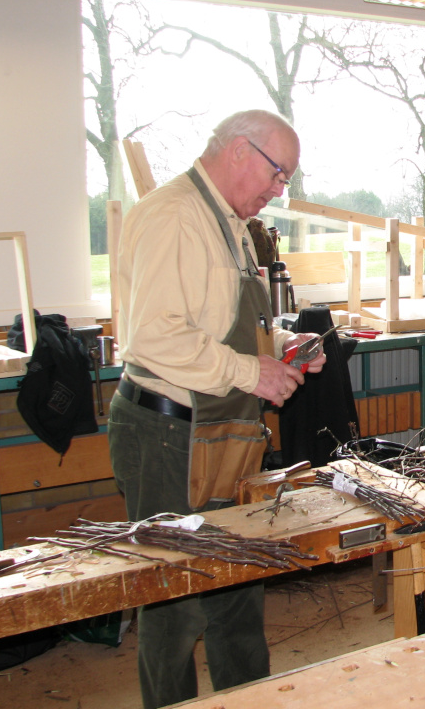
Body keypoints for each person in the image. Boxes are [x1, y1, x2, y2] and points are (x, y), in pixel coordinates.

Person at [108, 109, 326, 709]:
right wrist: (249, 372)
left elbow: (217, 325)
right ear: (239, 151)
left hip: (219, 432)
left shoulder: (229, 222)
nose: (279, 190)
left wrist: (281, 348)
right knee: (174, 603)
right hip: (166, 435)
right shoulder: (175, 215)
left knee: (237, 588)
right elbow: (153, 337)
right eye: (278, 175)